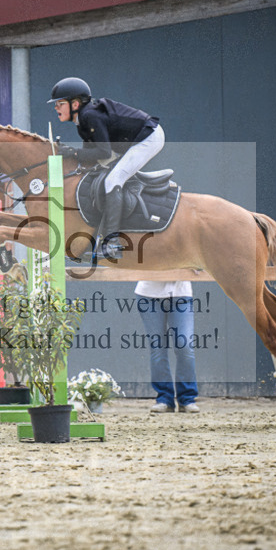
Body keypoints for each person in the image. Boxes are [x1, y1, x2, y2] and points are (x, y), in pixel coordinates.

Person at [48, 77, 164, 261]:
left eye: (60, 104)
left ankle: (113, 243)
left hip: (147, 138)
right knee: (96, 177)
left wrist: (74, 153)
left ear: (75, 103)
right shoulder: (82, 120)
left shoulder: (90, 116)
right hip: (129, 142)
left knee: (113, 180)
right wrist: (73, 156)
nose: (56, 108)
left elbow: (102, 151)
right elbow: (91, 157)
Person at [136, 280, 200, 413]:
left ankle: (187, 398)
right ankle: (164, 399)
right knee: (158, 348)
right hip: (149, 295)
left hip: (181, 294)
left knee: (185, 345)